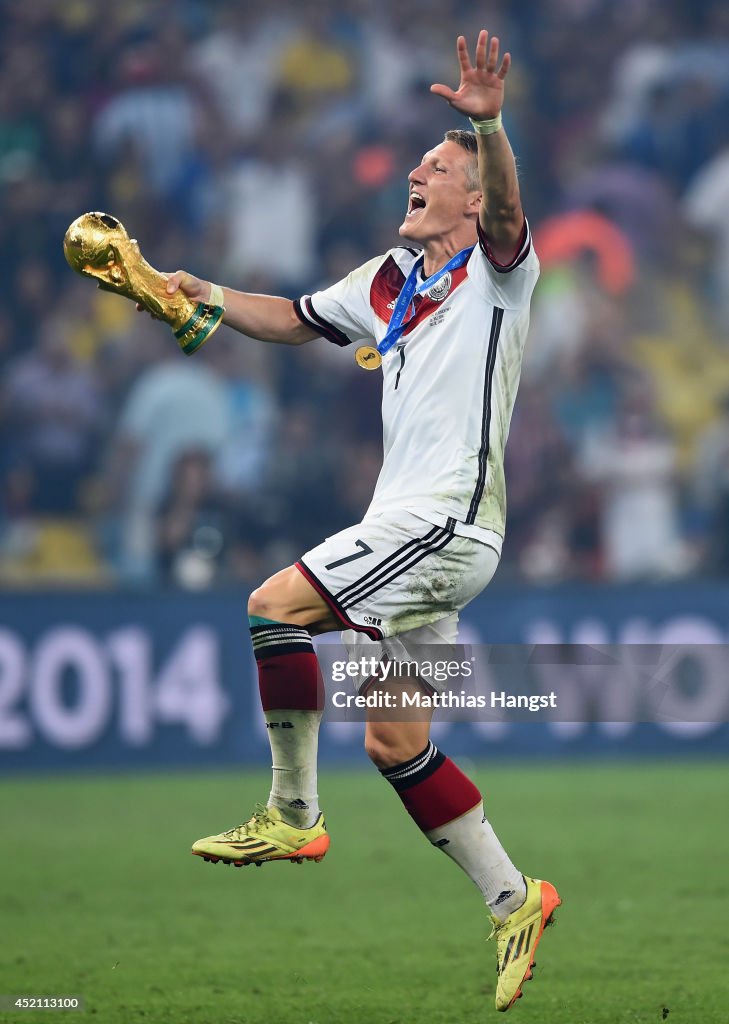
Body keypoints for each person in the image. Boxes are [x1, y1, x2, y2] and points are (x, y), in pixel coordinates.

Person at [166, 32, 560, 1013]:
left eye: (439, 169)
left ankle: (293, 810)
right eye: (423, 164)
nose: (418, 174)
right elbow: (295, 316)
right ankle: (516, 897)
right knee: (395, 742)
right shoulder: (387, 276)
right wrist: (202, 294)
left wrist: (488, 123)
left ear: (475, 200)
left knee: (273, 606)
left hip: (447, 523)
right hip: (410, 535)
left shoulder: (502, 270)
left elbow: (508, 204)